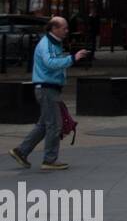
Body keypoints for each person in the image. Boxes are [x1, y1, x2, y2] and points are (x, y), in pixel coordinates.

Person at [9, 16, 89, 171]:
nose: (67, 30)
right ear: (54, 29)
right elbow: (50, 63)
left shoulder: (53, 43)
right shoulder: (47, 44)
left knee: (44, 124)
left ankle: (21, 151)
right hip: (47, 88)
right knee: (54, 124)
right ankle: (49, 160)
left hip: (49, 88)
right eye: (64, 28)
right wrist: (73, 58)